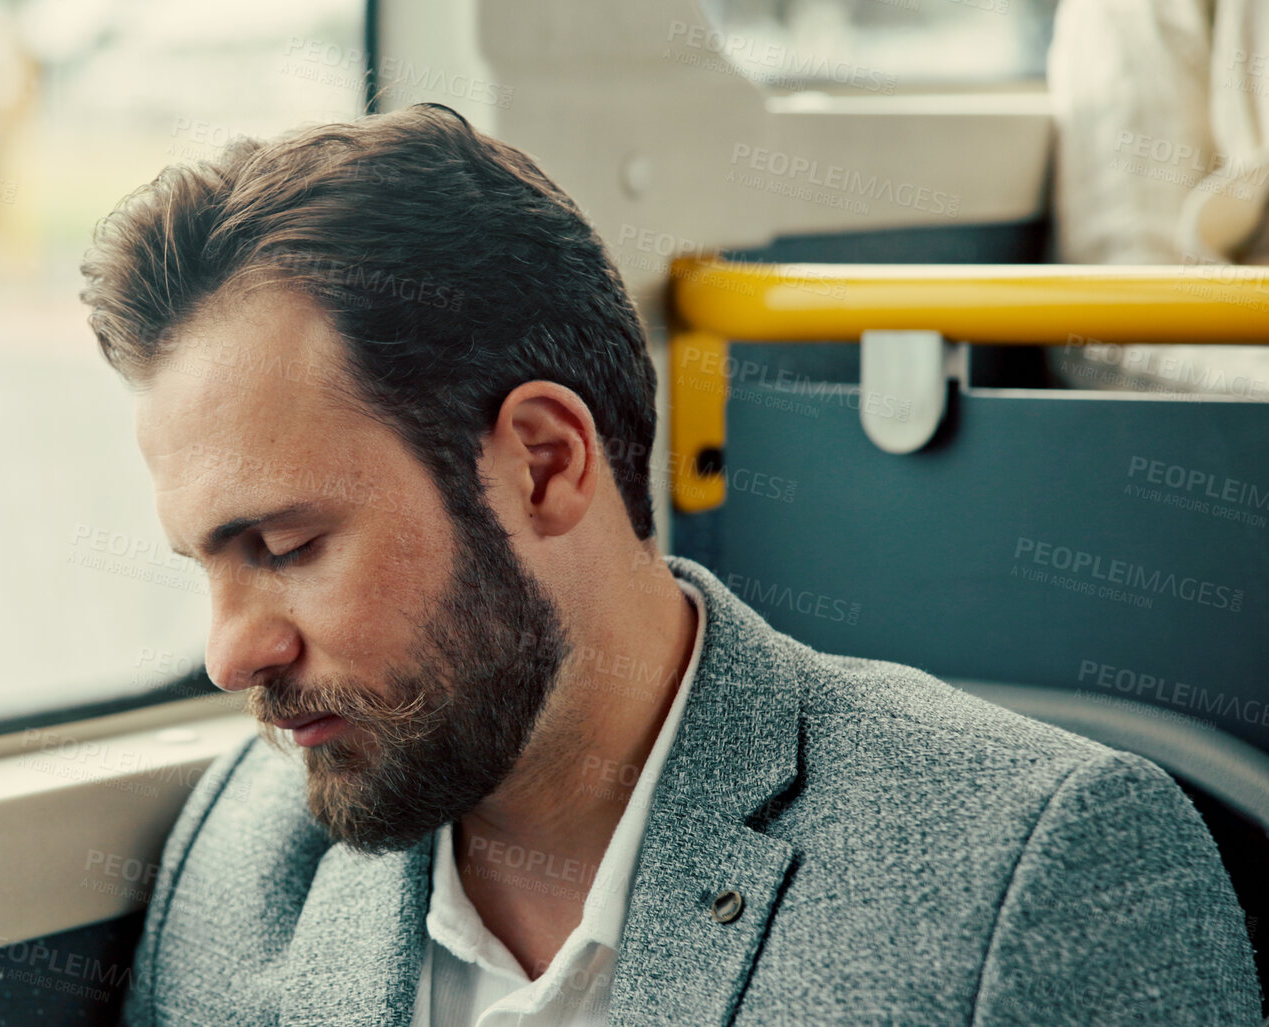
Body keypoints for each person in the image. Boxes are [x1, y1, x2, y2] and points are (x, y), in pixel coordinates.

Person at [78, 103, 1262, 1026]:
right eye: (203, 564)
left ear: (543, 464)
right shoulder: (244, 852)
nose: (232, 651)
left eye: (285, 548)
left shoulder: (1030, 872)